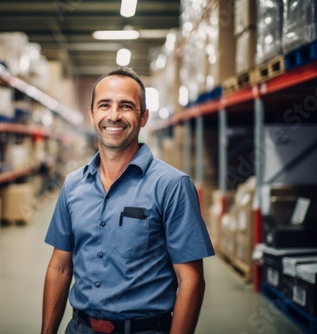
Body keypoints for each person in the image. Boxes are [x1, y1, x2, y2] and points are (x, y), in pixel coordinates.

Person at [42, 66, 215, 334]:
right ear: (91, 115)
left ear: (143, 117)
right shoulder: (73, 185)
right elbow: (60, 267)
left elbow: (191, 280)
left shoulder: (172, 186)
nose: (113, 116)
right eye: (104, 105)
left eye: (126, 106)